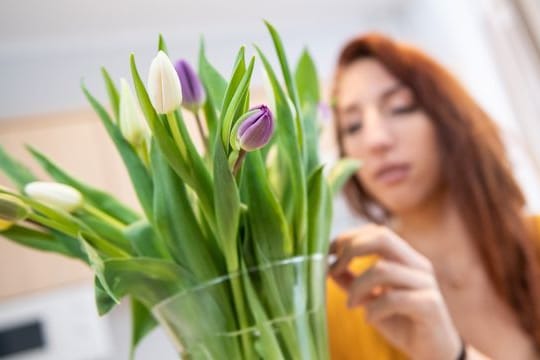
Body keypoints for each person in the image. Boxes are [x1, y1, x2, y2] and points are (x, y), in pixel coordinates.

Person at [326, 33, 540, 360]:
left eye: (400, 108)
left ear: (449, 117)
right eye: (352, 126)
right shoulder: (345, 299)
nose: (375, 140)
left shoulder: (535, 240)